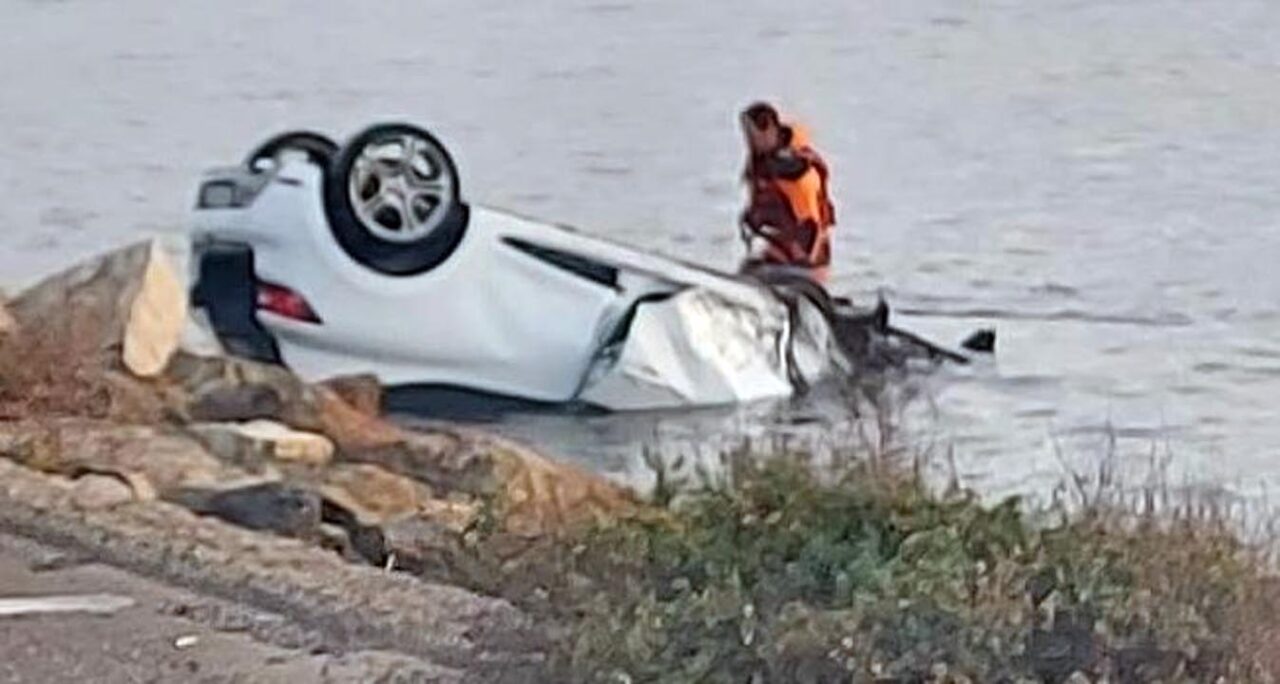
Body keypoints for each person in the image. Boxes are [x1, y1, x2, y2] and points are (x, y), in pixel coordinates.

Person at [738, 102, 837, 283]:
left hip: (804, 267)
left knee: (754, 275)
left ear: (769, 129)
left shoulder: (795, 170)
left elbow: (811, 224)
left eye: (753, 134)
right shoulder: (762, 164)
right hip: (777, 257)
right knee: (749, 268)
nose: (749, 141)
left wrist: (803, 259)